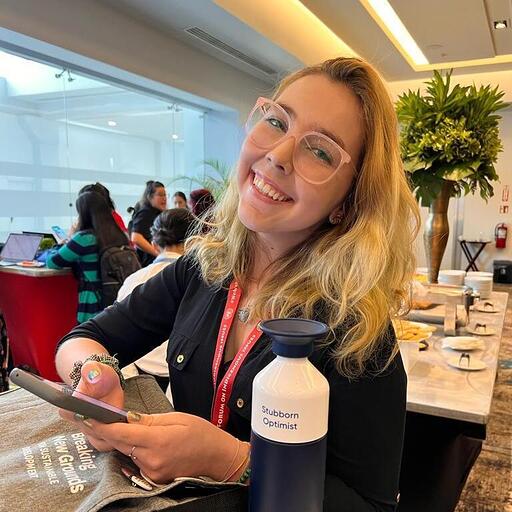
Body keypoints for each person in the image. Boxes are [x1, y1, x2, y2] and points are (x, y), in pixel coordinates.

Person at [55, 57, 420, 510]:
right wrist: (92, 376)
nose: (278, 155)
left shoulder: (358, 333)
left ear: (348, 200)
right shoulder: (204, 269)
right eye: (276, 121)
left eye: (320, 151)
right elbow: (84, 338)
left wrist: (232, 461)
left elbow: (372, 506)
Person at [119, 207, 194, 398]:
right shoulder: (202, 283)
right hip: (186, 382)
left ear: (154, 243)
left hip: (139, 377)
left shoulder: (135, 279)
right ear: (195, 241)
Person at [47, 191, 129, 323]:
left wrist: (63, 242)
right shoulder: (119, 235)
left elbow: (52, 262)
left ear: (83, 214)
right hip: (118, 302)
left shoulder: (84, 238)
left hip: (92, 305)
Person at [130, 180, 167, 267]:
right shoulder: (146, 213)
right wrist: (158, 254)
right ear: (150, 197)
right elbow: (136, 238)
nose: (164, 198)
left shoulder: (157, 213)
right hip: (148, 264)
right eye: (160, 195)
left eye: (165, 195)